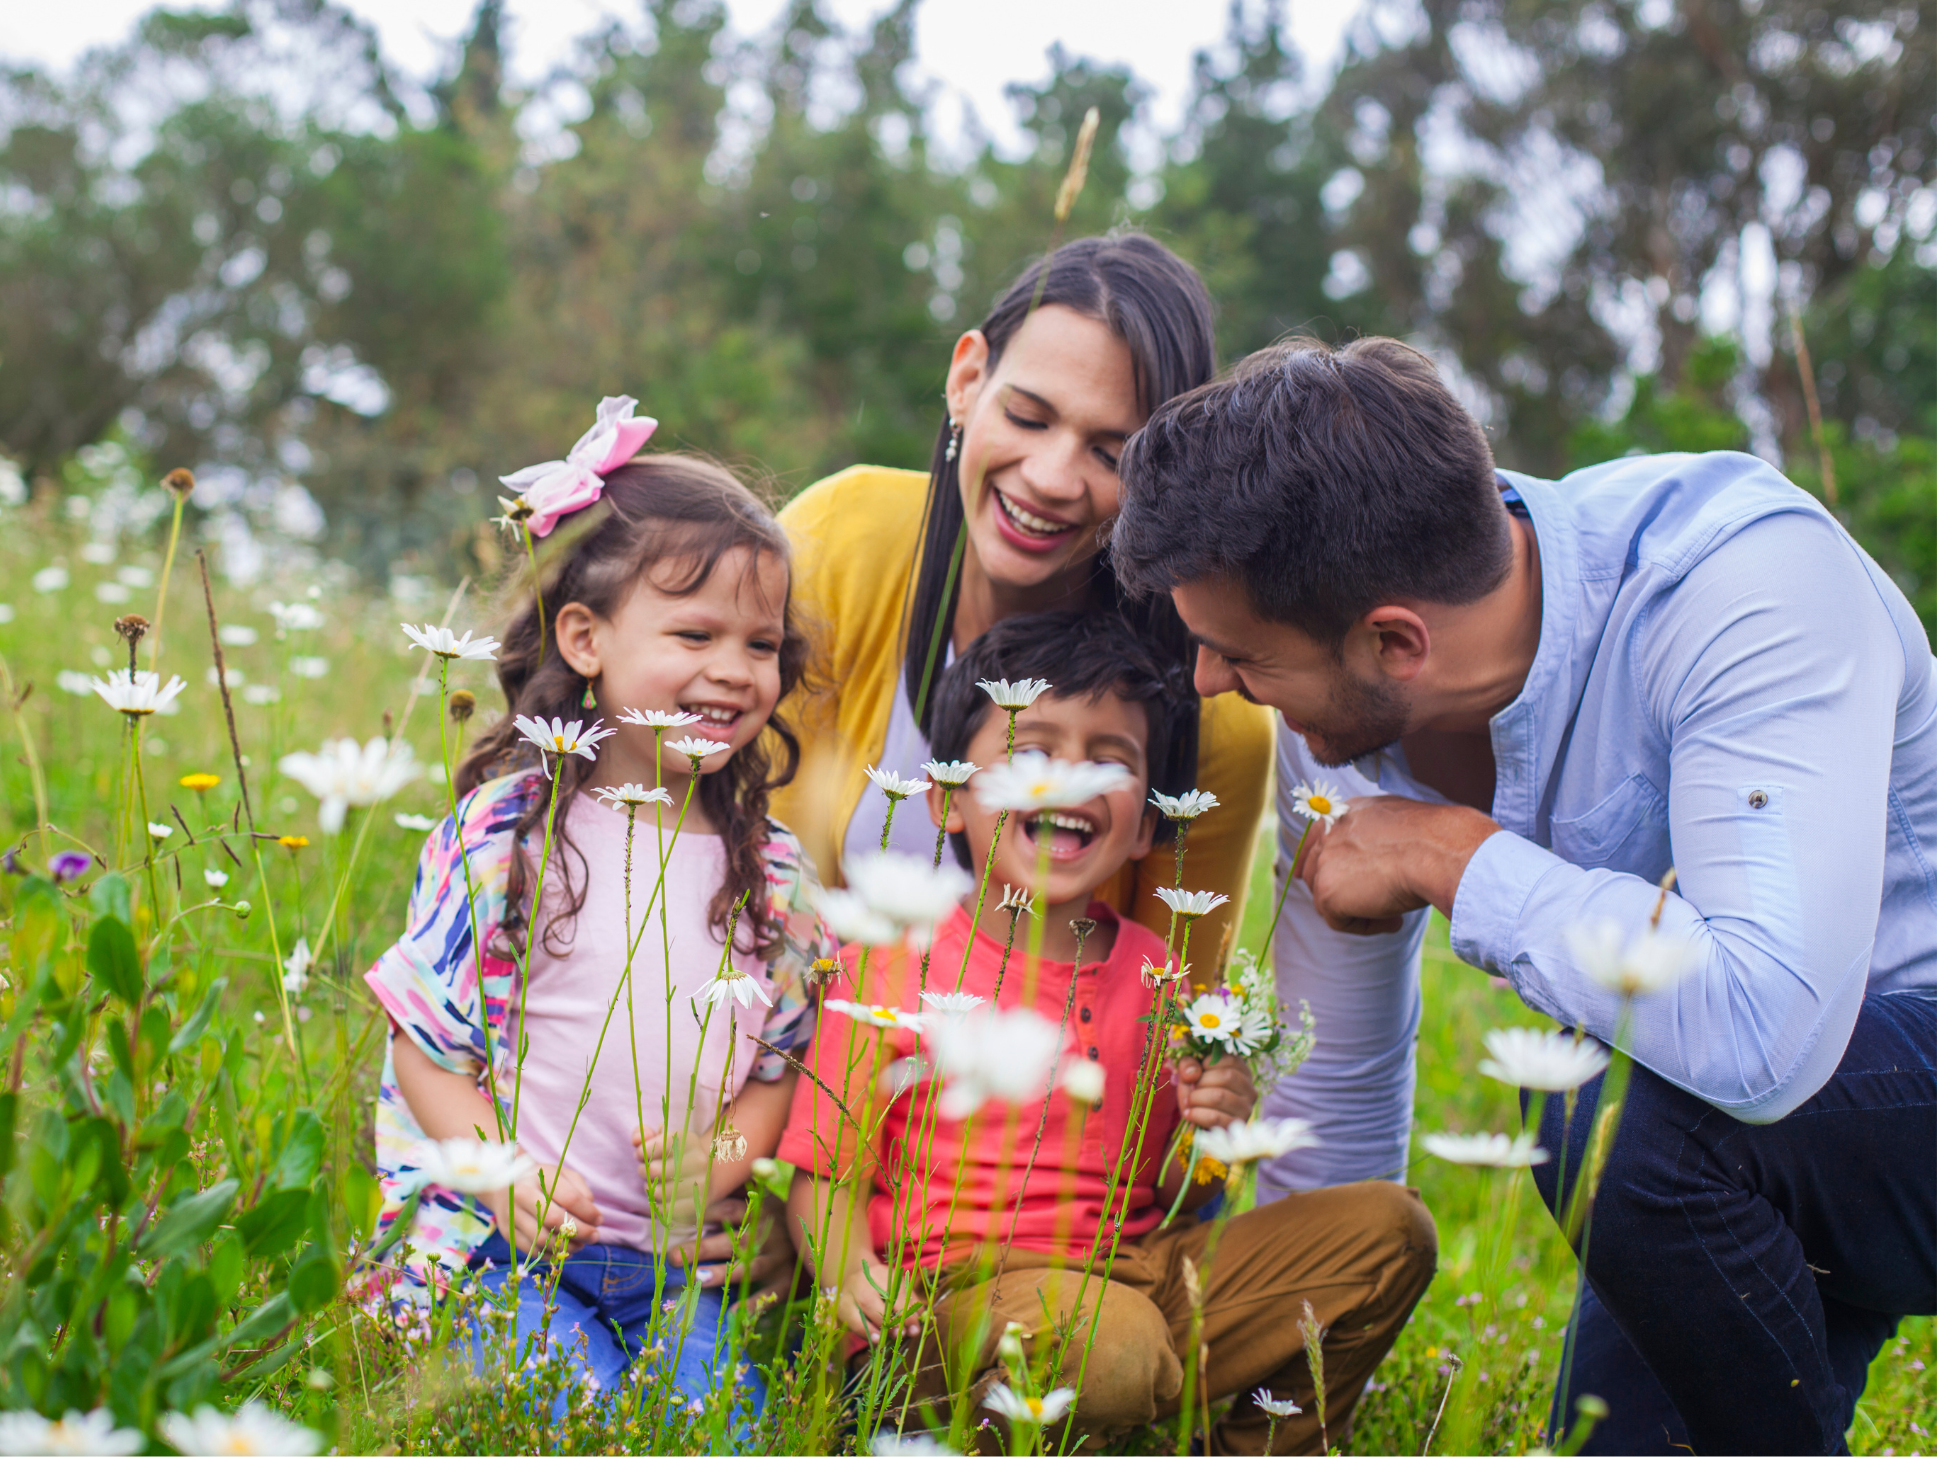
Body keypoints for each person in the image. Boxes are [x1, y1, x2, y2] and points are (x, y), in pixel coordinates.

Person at [1108, 335, 1937, 1455]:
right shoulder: (1332, 705)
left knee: (1617, 1116)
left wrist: (1453, 855)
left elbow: (1765, 1031)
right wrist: (1296, 1389)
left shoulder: (1741, 586)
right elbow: (1344, 1080)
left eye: (1236, 657)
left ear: (1393, 639)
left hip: (1861, 1080)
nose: (1209, 684)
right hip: (1715, 1151)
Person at [780, 610, 1437, 1454]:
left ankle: (1255, 1443)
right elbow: (823, 1171)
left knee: (1386, 1232)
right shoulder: (891, 960)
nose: (1063, 779)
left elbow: (1171, 1193)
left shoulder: (1161, 976)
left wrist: (1211, 1135)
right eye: (1030, 749)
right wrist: (848, 1273)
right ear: (947, 797)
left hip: (1141, 1276)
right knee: (1107, 1348)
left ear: (1143, 827)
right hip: (958, 1301)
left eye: (1107, 758)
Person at [360, 441, 838, 1416]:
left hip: (672, 1266)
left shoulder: (776, 877)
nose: (734, 671)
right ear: (585, 640)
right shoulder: (506, 835)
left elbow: (781, 1069)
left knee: (722, 1428)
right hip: (496, 1247)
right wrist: (501, 1173)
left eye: (759, 645)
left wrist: (729, 1158)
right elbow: (424, 1050)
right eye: (694, 634)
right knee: (565, 1406)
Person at [775, 233, 1273, 985]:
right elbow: (713, 854)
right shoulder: (837, 542)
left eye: (1111, 455)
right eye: (1029, 417)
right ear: (967, 377)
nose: (1049, 478)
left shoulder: (1210, 712)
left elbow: (1166, 1039)